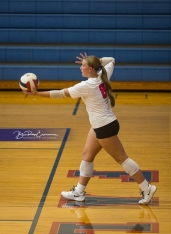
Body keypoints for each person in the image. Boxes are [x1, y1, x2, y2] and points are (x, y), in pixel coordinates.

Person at [22, 53, 157, 205]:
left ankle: (147, 188)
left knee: (122, 159)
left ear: (91, 69)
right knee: (87, 155)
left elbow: (60, 93)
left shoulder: (85, 86)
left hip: (104, 127)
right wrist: (97, 62)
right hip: (102, 124)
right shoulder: (103, 73)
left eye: (83, 65)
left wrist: (37, 94)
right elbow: (112, 60)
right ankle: (79, 192)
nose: (80, 67)